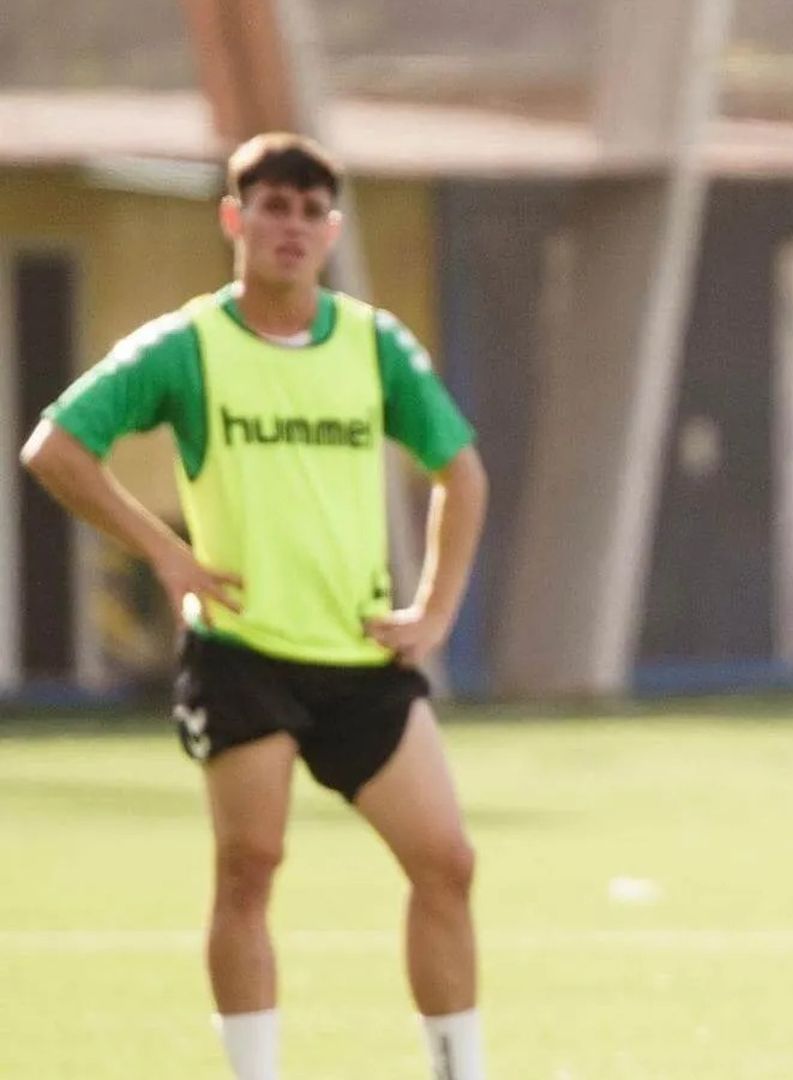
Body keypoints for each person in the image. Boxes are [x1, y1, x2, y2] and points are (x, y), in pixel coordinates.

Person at [19, 133, 489, 1080]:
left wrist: (435, 612)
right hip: (242, 654)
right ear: (235, 219)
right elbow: (56, 448)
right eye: (272, 206)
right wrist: (165, 553)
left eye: (311, 210)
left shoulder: (372, 343)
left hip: (361, 658)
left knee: (447, 862)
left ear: (332, 230)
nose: (292, 226)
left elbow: (461, 471)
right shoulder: (189, 345)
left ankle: (457, 1071)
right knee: (251, 866)